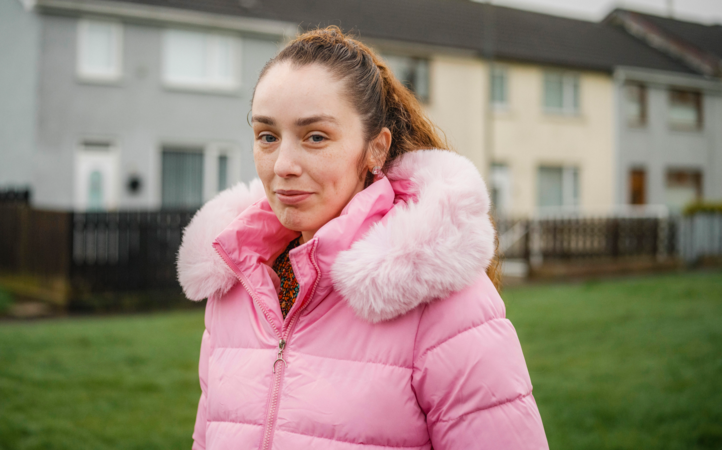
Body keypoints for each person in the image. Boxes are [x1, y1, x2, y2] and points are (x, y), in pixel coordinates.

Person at [177, 26, 548, 450]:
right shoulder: (236, 283)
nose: (282, 164)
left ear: (375, 149)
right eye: (267, 136)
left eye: (315, 137)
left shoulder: (442, 298)